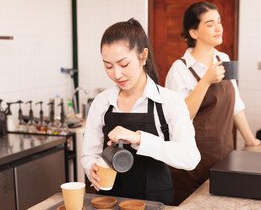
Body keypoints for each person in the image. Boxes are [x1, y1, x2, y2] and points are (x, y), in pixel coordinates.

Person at [81, 18, 201, 205]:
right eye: (108, 66)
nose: (117, 74)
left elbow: (190, 157)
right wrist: (91, 168)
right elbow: (89, 154)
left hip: (154, 202)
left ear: (143, 56)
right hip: (108, 201)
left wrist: (139, 139)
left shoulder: (169, 101)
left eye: (124, 64)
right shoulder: (102, 102)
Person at [165, 2, 261, 205]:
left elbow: (236, 105)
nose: (219, 28)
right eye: (210, 24)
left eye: (219, 22)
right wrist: (206, 81)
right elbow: (179, 117)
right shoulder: (179, 69)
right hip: (191, 165)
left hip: (224, 157)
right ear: (193, 32)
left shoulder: (223, 59)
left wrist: (251, 141)